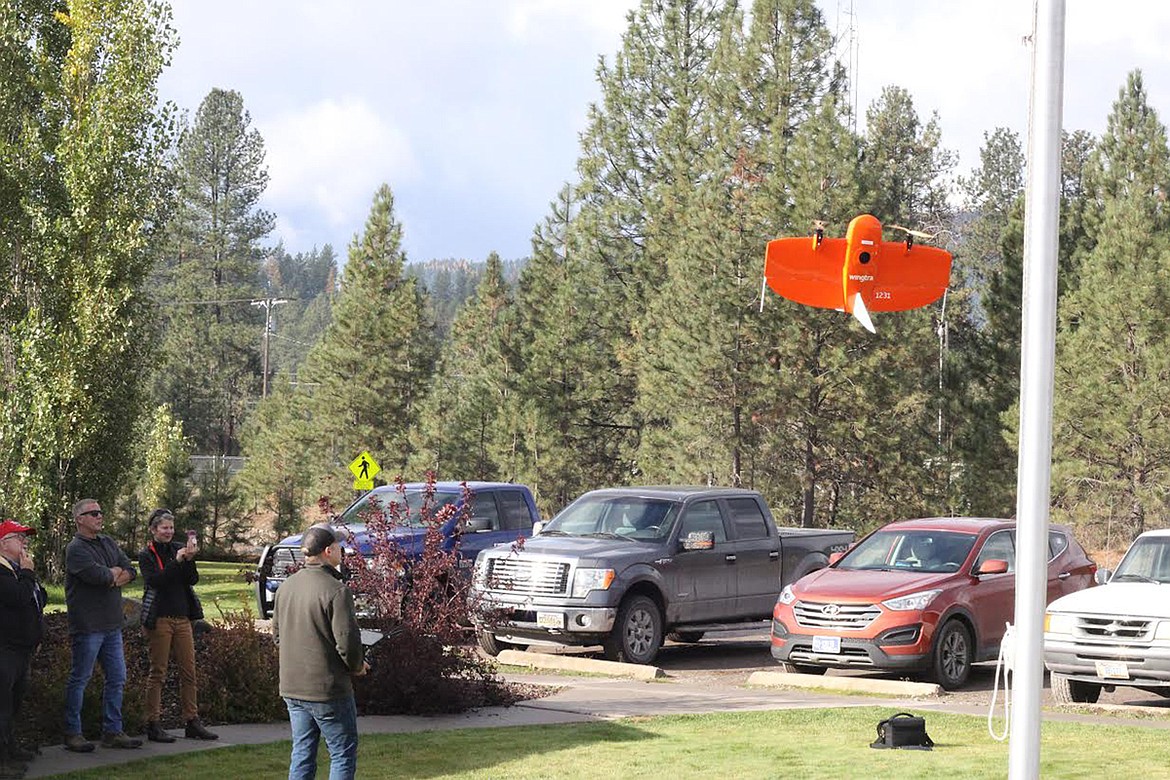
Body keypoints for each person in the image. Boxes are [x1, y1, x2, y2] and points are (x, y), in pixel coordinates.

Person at [272, 524, 368, 780]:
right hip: (328, 690)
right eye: (339, 546)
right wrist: (358, 666)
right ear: (328, 551)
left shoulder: (285, 588)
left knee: (302, 752)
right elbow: (347, 643)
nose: (342, 551)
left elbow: (278, 637)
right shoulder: (337, 591)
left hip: (292, 687)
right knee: (342, 753)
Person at [62, 498, 142, 752]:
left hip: (111, 625)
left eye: (101, 511)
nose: (99, 516)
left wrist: (115, 574)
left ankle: (112, 731)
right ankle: (73, 733)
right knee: (80, 679)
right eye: (93, 513)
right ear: (80, 520)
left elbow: (131, 570)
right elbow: (98, 577)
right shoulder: (75, 549)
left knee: (117, 678)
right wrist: (114, 575)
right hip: (88, 626)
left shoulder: (107, 542)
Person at [138, 509, 218, 743]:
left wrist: (189, 560)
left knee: (189, 672)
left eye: (171, 528)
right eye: (164, 528)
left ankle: (192, 721)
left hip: (183, 618)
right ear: (154, 530)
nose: (169, 532)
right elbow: (156, 581)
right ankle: (152, 723)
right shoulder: (147, 555)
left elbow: (191, 580)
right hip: (160, 618)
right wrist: (178, 561)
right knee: (158, 672)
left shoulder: (178, 549)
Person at [0, 519, 46, 779]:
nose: (25, 542)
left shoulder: (18, 571)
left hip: (21, 649)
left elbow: (37, 599)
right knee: (2, 705)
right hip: (4, 648)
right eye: (19, 537)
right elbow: (17, 598)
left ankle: (10, 747)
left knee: (14, 702)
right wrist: (28, 574)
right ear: (4, 543)